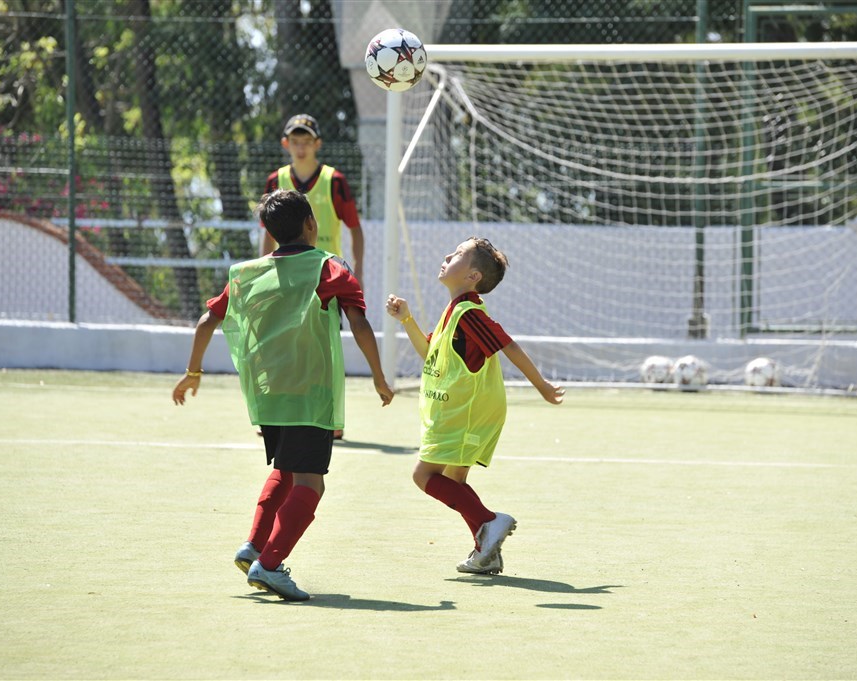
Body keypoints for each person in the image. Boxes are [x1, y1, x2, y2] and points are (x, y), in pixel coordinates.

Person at [173, 189, 394, 600]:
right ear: (311, 224)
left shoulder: (246, 273)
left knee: (285, 469)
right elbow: (359, 323)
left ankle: (255, 544)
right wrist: (379, 376)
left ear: (270, 233)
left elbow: (207, 321)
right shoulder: (328, 268)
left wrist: (193, 373)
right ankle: (270, 565)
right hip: (310, 392)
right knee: (312, 482)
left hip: (268, 394)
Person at [386, 237, 564, 575]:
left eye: (458, 254)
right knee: (455, 479)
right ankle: (486, 552)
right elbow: (430, 354)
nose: (447, 255)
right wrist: (407, 320)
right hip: (467, 411)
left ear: (473, 277)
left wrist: (541, 386)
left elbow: (507, 345)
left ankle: (489, 521)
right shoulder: (454, 312)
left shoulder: (469, 312)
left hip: (465, 413)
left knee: (423, 475)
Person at [266, 113, 364, 440]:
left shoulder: (334, 181)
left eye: (307, 140)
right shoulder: (274, 180)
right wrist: (263, 267)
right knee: (281, 348)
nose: (301, 146)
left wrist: (357, 272)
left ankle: (333, 418)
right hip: (285, 275)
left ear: (317, 143)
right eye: (295, 141)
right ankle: (277, 413)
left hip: (324, 276)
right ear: (286, 144)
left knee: (326, 350)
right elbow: (266, 233)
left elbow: (355, 229)